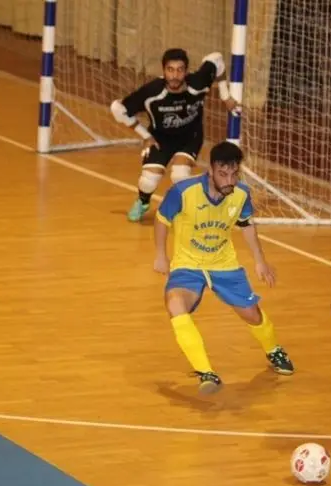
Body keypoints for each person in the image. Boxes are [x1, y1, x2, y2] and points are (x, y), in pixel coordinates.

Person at [153, 141, 294, 393]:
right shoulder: (183, 191)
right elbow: (162, 219)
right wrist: (161, 255)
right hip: (188, 265)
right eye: (223, 173)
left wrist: (260, 260)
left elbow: (246, 224)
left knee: (252, 314)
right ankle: (206, 373)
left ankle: (274, 350)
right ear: (210, 170)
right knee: (174, 304)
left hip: (224, 264)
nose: (229, 180)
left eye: (234, 174)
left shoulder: (241, 194)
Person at [110, 48, 240, 222]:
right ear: (163, 71)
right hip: (160, 139)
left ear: (186, 71)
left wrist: (225, 96)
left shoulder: (197, 84)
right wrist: (146, 136)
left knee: (180, 175)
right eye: (170, 70)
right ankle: (143, 201)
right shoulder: (152, 92)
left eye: (180, 70)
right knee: (148, 181)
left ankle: (187, 209)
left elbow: (216, 58)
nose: (175, 75)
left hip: (190, 136)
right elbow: (117, 109)